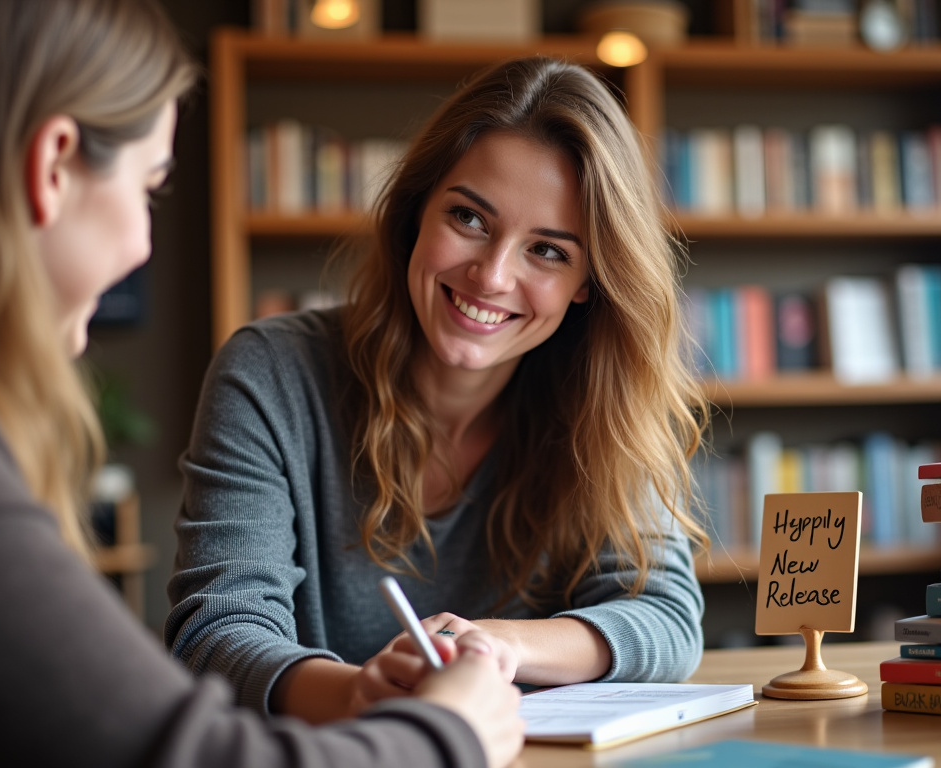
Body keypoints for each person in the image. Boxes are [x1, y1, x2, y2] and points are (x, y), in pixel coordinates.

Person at [0, 1, 523, 766]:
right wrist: (452, 733)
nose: (145, 240)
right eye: (149, 188)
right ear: (52, 166)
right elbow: (190, 754)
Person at [167, 55, 711, 725]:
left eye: (547, 251)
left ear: (587, 283)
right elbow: (214, 633)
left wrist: (498, 646)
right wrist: (363, 693)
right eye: (470, 219)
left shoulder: (606, 402)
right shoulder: (271, 374)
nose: (490, 276)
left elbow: (666, 617)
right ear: (415, 213)